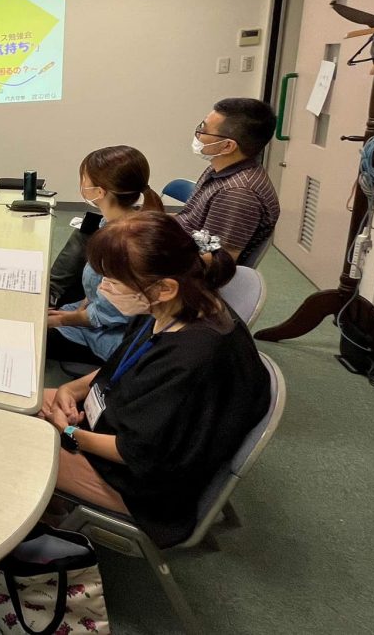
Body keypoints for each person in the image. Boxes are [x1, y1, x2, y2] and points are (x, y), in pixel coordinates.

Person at [39, 212, 270, 548]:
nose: (103, 290)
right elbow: (123, 366)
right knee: (21, 401)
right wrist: (70, 389)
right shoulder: (177, 307)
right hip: (122, 427)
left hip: (142, 485)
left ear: (163, 288)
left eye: (114, 283)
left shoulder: (192, 359)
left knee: (17, 446)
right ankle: (52, 506)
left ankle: (43, 519)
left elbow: (136, 451)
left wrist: (70, 432)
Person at [46, 146, 164, 366]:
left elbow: (106, 315)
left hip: (112, 337)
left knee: (28, 335)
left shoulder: (125, 244)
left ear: (99, 192)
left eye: (84, 179)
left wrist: (62, 319)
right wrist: (83, 303)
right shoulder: (113, 223)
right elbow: (99, 290)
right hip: (98, 315)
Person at [177, 97, 280, 263]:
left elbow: (215, 261)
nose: (198, 135)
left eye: (203, 130)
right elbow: (192, 223)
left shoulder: (237, 193)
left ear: (227, 146)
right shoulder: (220, 168)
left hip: (188, 273)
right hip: (181, 245)